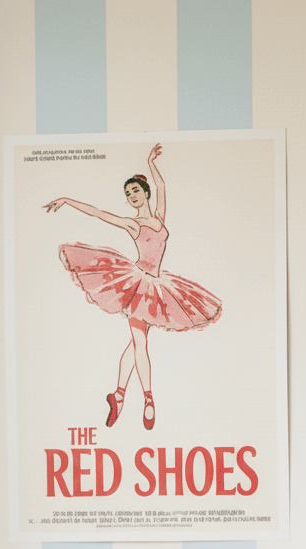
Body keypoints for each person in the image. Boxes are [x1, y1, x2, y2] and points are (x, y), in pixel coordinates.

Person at [44, 143, 221, 430]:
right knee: (140, 341)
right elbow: (99, 213)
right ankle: (149, 399)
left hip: (157, 286)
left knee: (136, 340)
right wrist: (66, 199)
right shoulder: (133, 224)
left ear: (145, 192)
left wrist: (151, 162)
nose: (132, 196)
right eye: (128, 194)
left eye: (135, 191)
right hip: (138, 284)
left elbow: (162, 185)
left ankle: (119, 395)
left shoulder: (159, 217)